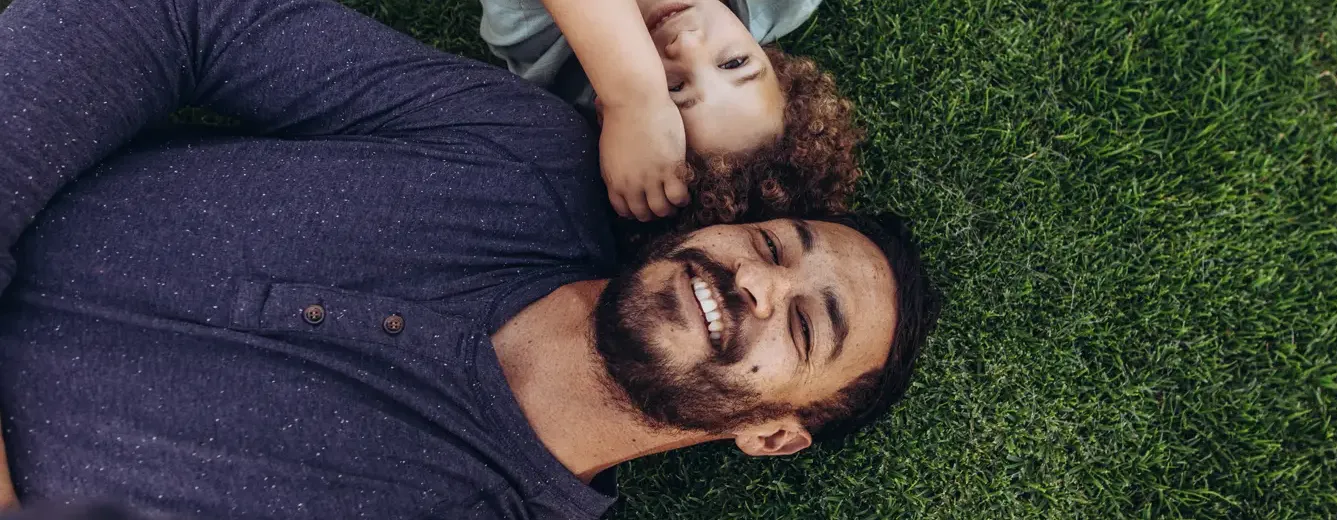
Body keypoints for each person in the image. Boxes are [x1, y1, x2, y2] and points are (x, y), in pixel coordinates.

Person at [0, 0, 940, 518]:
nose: (758, 281)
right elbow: (189, 18)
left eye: (809, 325)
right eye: (776, 246)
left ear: (774, 434)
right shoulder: (517, 153)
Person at [480, 0, 865, 230]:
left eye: (673, 91)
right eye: (734, 62)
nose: (688, 43)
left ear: (610, 126)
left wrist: (633, 98)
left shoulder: (533, 30)